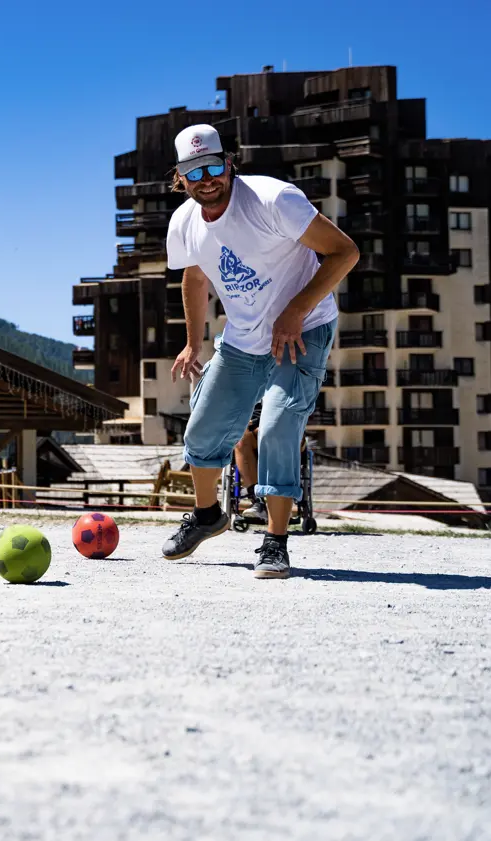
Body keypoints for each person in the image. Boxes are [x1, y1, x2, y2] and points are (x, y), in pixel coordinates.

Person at [162, 124, 357, 579]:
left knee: (277, 424)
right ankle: (207, 516)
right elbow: (195, 278)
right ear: (180, 178)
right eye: (195, 172)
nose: (207, 179)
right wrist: (192, 342)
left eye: (213, 167)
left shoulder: (273, 199)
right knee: (203, 427)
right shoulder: (184, 223)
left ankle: (275, 541)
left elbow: (344, 252)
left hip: (304, 327)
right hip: (244, 337)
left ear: (229, 163)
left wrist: (296, 310)